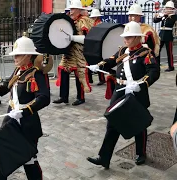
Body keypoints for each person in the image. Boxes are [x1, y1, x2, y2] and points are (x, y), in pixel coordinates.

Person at [86, 21, 160, 168]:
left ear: (137, 38)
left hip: (136, 92)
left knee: (139, 124)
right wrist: (99, 65)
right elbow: (111, 61)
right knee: (112, 123)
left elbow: (154, 72)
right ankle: (104, 157)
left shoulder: (145, 53)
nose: (125, 39)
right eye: (125, 37)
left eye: (129, 37)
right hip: (119, 91)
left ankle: (141, 153)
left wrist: (142, 84)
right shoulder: (123, 51)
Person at [0, 35, 50, 180]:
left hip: (27, 123)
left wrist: (24, 111)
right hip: (11, 121)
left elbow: (44, 98)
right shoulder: (18, 71)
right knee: (1, 155)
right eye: (15, 54)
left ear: (28, 55)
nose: (15, 58)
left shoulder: (37, 74)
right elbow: (6, 87)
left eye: (19, 54)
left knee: (29, 161)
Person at [53, 0, 93, 106]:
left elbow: (88, 38)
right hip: (68, 52)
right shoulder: (68, 20)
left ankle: (81, 97)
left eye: (73, 9)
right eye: (70, 9)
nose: (71, 11)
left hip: (79, 53)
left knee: (79, 75)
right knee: (63, 71)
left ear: (79, 10)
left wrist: (73, 38)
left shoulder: (84, 21)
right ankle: (63, 96)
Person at [154, 0, 177, 71]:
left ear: (172, 9)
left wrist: (168, 15)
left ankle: (171, 66)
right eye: (166, 8)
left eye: (169, 8)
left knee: (169, 52)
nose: (167, 9)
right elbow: (155, 21)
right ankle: (157, 65)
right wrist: (157, 16)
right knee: (157, 51)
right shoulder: (164, 15)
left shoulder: (174, 17)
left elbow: (171, 22)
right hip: (161, 35)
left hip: (168, 35)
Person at [90, 8, 106, 85]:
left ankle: (102, 79)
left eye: (93, 17)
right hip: (92, 44)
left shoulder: (100, 24)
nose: (92, 19)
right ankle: (90, 79)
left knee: (99, 62)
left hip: (99, 45)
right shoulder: (92, 24)